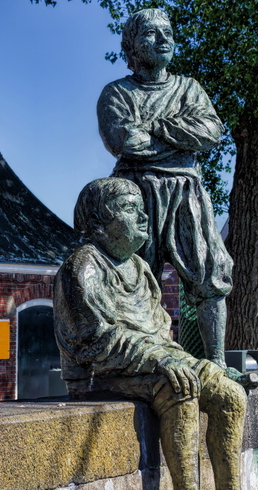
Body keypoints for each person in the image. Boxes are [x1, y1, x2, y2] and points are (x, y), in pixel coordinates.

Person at [54, 177, 258, 490]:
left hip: (151, 362)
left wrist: (200, 365)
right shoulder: (83, 268)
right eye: (129, 209)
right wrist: (163, 361)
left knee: (229, 394)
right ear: (98, 222)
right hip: (103, 375)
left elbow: (161, 334)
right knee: (180, 387)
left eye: (142, 208)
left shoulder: (140, 269)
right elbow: (94, 339)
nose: (143, 217)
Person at [97, 8, 236, 374]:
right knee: (137, 276)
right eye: (151, 33)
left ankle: (217, 362)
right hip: (137, 193)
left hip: (186, 190)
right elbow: (126, 141)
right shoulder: (117, 93)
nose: (163, 39)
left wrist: (155, 127)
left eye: (168, 32)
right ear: (131, 46)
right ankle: (141, 363)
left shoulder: (189, 89)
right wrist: (179, 138)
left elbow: (210, 132)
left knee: (210, 271)